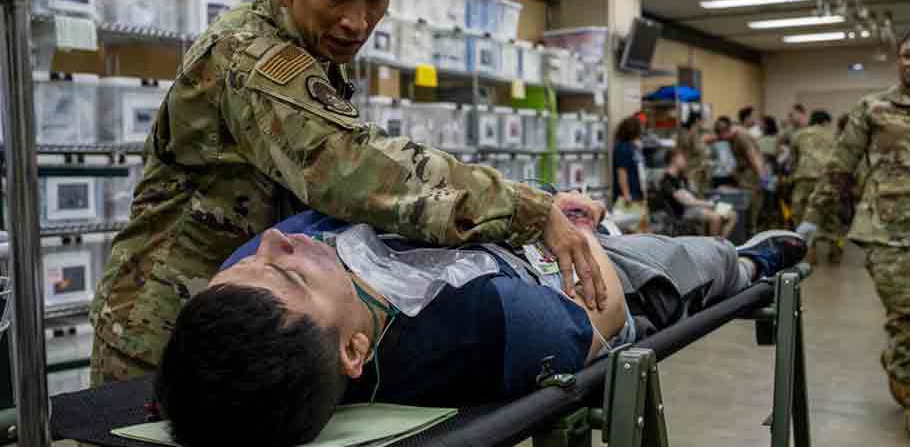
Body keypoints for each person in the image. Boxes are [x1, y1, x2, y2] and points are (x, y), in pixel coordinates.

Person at [89, 0, 607, 385]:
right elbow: (353, 168)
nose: (357, 21)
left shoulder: (310, 55)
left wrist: (527, 204)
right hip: (161, 331)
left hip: (251, 325)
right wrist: (525, 209)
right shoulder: (249, 57)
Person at [155, 192, 806, 447]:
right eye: (290, 273)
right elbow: (603, 315)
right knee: (695, 261)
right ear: (354, 351)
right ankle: (760, 257)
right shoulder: (490, 325)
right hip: (584, 277)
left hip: (520, 231)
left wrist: (537, 207)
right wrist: (574, 234)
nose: (274, 244)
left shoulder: (251, 280)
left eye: (244, 265)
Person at [798, 32, 910, 433]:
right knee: (905, 312)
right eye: (905, 55)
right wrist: (811, 219)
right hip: (887, 230)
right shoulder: (873, 108)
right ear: (897, 59)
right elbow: (840, 166)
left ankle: (899, 361)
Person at [789, 110, 838, 264]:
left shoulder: (798, 135)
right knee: (829, 214)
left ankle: (809, 250)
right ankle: (834, 249)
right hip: (827, 179)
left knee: (802, 214)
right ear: (825, 122)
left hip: (803, 177)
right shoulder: (834, 135)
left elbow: (793, 160)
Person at [657, 149, 737, 238]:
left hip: (698, 207)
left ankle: (721, 243)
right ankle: (712, 248)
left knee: (732, 214)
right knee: (715, 217)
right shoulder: (667, 180)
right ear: (674, 159)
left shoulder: (682, 177)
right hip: (684, 212)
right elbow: (686, 202)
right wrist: (708, 204)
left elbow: (692, 194)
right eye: (682, 158)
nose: (685, 161)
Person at [714, 116, 769, 235]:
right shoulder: (733, 135)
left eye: (721, 136)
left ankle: (751, 234)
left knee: (750, 209)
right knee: (744, 205)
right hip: (745, 174)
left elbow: (754, 156)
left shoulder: (741, 136)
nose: (721, 140)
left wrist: (762, 177)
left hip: (752, 176)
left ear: (725, 131)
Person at [612, 117, 647, 228]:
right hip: (629, 197)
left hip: (638, 194)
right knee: (632, 229)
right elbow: (622, 172)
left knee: (641, 228)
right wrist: (627, 195)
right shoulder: (623, 148)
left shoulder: (635, 147)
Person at [676, 112, 711, 197]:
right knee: (697, 192)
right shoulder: (694, 130)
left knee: (688, 191)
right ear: (697, 120)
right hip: (694, 167)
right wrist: (705, 145)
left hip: (684, 165)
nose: (702, 123)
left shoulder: (682, 130)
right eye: (702, 121)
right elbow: (697, 148)